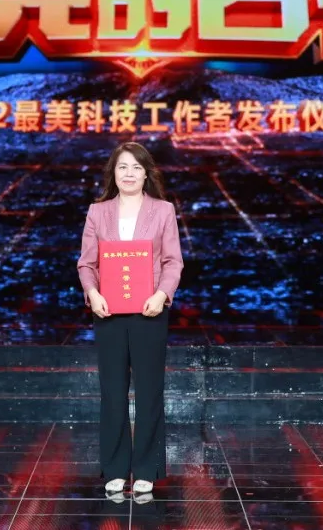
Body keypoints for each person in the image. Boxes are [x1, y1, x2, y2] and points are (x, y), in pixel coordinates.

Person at [77, 142, 184, 496]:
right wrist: (93, 294)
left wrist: (161, 295)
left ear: (146, 173)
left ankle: (146, 468)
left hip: (150, 310)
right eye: (122, 167)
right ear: (114, 173)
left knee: (150, 391)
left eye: (136, 167)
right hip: (107, 311)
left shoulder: (163, 210)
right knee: (112, 392)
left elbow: (173, 261)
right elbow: (86, 263)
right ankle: (115, 468)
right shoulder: (97, 212)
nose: (129, 173)